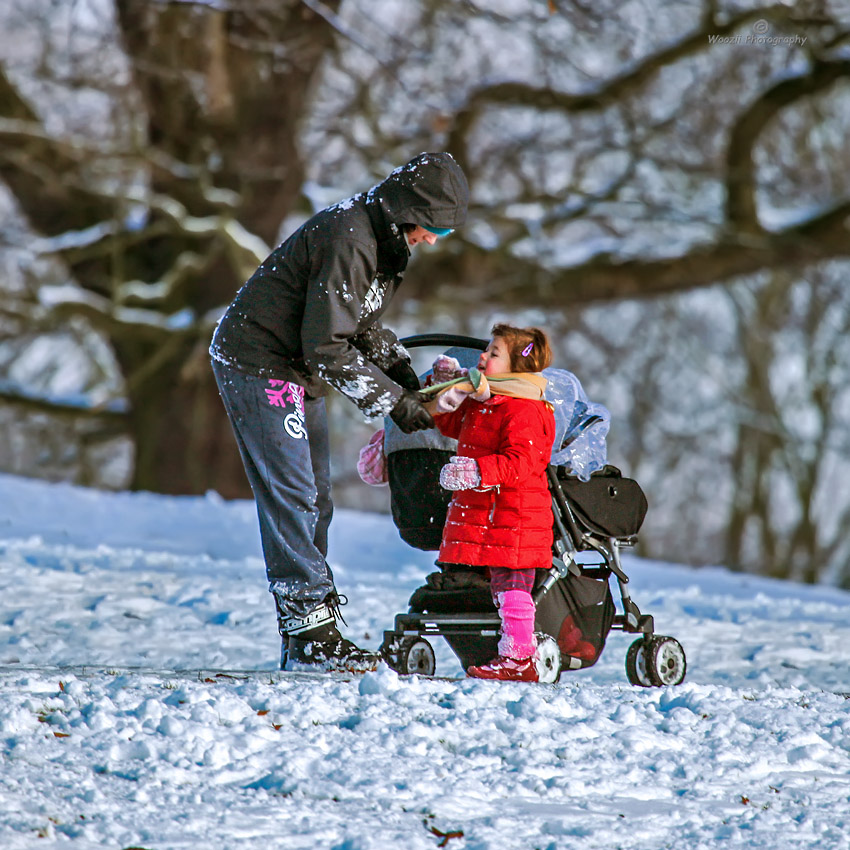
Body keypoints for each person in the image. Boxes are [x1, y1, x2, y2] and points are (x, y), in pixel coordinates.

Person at [209, 152, 469, 671]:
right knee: (294, 495)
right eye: (433, 225)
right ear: (408, 209)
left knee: (317, 498)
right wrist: (396, 405)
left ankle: (308, 632)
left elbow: (358, 324)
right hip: (260, 361)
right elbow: (328, 346)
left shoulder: (384, 241)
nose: (434, 239)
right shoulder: (350, 238)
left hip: (296, 366)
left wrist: (403, 376)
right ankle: (311, 636)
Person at [430, 323, 556, 682]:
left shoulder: (526, 409)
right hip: (492, 512)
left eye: (493, 352)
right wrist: (439, 387)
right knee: (501, 584)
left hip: (515, 515)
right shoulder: (488, 402)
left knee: (512, 583)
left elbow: (524, 461)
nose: (482, 357)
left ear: (518, 367)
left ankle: (519, 658)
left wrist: (476, 471)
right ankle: (511, 654)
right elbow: (452, 423)